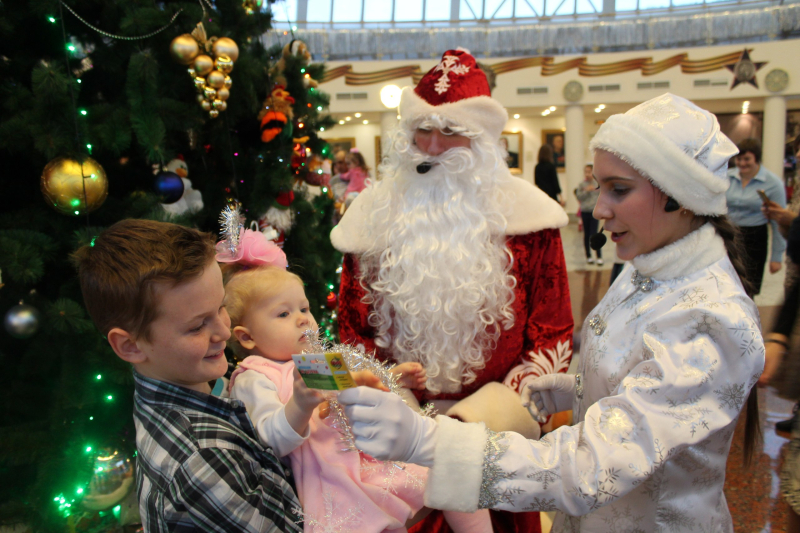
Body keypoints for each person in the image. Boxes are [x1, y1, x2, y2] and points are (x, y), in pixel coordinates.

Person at [337, 94, 765, 532]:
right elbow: (647, 393)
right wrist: (580, 389)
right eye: (600, 188)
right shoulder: (650, 266)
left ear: (682, 196)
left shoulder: (711, 322)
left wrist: (426, 440)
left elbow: (592, 466)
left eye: (619, 189)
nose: (599, 209)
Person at [331, 48, 573, 533]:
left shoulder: (530, 223)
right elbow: (351, 333)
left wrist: (468, 428)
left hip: (493, 448)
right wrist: (394, 411)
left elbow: (552, 336)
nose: (432, 146)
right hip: (395, 457)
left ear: (481, 140)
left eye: (451, 131)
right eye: (422, 129)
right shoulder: (370, 220)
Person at [220, 229, 492, 533]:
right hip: (333, 477)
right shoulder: (255, 375)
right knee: (371, 521)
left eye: (304, 308)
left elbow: (357, 384)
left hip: (368, 455)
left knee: (452, 469)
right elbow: (268, 441)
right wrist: (298, 404)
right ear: (246, 337)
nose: (302, 319)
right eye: (283, 314)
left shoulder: (313, 360)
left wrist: (392, 376)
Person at [72, 219, 303, 532]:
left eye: (221, 307)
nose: (224, 331)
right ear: (130, 346)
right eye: (197, 326)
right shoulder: (201, 460)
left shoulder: (197, 383)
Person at [726, 137, 787, 294]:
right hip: (729, 234)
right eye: (739, 159)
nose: (742, 163)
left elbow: (778, 221)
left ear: (757, 158)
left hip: (755, 237)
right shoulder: (727, 176)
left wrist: (777, 257)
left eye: (747, 159)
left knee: (749, 286)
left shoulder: (772, 183)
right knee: (727, 283)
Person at [575, 163, 602, 265]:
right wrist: (586, 191)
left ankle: (599, 256)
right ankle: (589, 256)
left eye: (589, 172)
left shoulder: (597, 184)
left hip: (594, 212)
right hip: (585, 211)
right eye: (585, 172)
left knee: (595, 233)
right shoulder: (582, 185)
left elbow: (601, 195)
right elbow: (579, 196)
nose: (587, 174)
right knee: (587, 234)